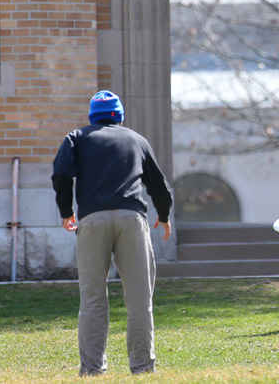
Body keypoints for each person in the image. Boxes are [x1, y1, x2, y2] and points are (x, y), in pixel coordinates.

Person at [52, 90, 174, 376]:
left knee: (93, 297)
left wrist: (65, 211)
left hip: (92, 220)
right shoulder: (136, 140)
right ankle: (142, 368)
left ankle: (93, 370)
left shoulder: (77, 138)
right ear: (119, 116)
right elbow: (158, 183)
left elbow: (60, 174)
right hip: (132, 220)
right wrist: (164, 215)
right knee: (139, 299)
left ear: (92, 116)